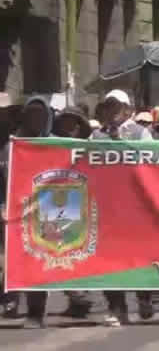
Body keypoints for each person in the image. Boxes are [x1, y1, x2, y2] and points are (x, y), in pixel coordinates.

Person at [89, 90, 153, 327]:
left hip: (136, 206)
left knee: (139, 256)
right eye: (109, 106)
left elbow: (152, 162)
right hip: (107, 207)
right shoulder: (96, 136)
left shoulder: (140, 133)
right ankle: (117, 307)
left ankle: (144, 297)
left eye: (117, 106)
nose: (113, 111)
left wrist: (122, 143)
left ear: (127, 110)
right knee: (110, 259)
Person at [1, 96, 55, 328]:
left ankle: (36, 313)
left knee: (38, 263)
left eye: (41, 115)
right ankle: (9, 300)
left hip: (46, 212)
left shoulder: (56, 144)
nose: (37, 119)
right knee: (9, 261)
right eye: (32, 114)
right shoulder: (10, 146)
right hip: (13, 211)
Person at [51, 107, 95, 318]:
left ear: (80, 127)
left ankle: (80, 296)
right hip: (58, 204)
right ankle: (76, 296)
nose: (69, 127)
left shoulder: (91, 149)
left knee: (82, 253)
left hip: (88, 203)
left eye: (73, 123)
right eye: (64, 123)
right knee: (59, 251)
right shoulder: (48, 147)